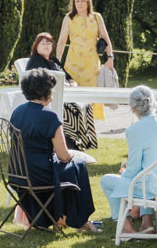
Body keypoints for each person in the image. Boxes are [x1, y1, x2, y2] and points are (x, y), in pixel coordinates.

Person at [5, 69, 98, 231]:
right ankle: (79, 220)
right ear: (46, 91)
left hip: (17, 173)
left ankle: (57, 218)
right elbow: (63, 156)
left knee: (70, 167)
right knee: (79, 165)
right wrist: (72, 155)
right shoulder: (50, 116)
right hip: (40, 175)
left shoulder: (17, 112)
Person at [100, 87, 157, 234]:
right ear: (153, 103)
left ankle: (125, 227)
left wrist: (124, 177)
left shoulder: (134, 130)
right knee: (145, 178)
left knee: (106, 180)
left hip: (156, 189)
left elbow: (133, 168)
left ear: (133, 109)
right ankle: (147, 223)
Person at [54, 0, 115, 117]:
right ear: (74, 3)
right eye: (77, 1)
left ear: (88, 2)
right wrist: (57, 62)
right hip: (73, 63)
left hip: (92, 64)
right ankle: (72, 122)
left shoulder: (96, 17)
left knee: (91, 94)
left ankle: (90, 123)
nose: (80, 3)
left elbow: (105, 38)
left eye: (83, 0)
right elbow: (61, 41)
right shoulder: (69, 18)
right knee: (72, 94)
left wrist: (110, 57)